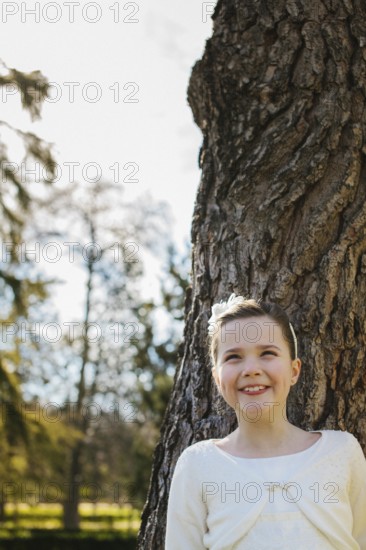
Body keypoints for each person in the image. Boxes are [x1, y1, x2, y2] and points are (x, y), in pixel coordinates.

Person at [165, 293, 366, 549]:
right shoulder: (198, 464)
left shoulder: (342, 452)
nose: (251, 369)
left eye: (268, 353)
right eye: (233, 357)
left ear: (294, 371)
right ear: (217, 378)